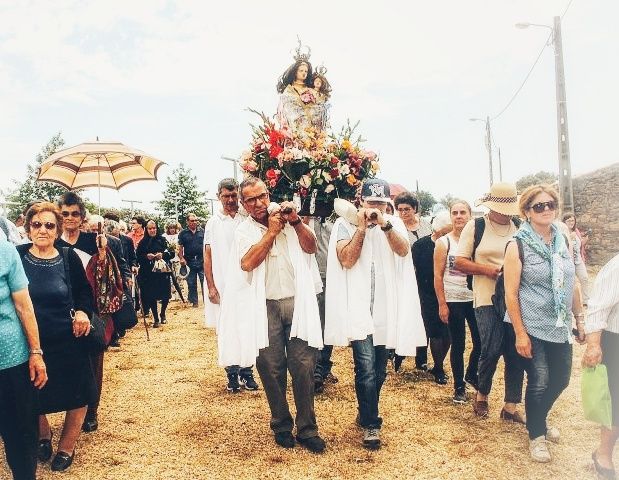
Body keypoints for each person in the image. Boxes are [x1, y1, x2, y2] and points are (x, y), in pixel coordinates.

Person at [217, 177, 326, 453]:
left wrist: (296, 222)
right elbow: (247, 263)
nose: (258, 203)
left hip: (297, 302)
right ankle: (281, 424)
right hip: (264, 307)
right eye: (251, 200)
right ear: (243, 204)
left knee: (304, 367)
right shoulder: (244, 230)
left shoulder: (287, 216)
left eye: (262, 196)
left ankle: (307, 428)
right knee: (270, 367)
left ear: (269, 194)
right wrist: (272, 233)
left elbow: (311, 247)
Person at [326, 179, 426, 450]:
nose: (375, 209)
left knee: (379, 370)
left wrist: (385, 225)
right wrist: (361, 227)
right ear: (361, 202)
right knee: (366, 368)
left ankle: (365, 409)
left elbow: (403, 251)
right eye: (371, 203)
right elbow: (346, 260)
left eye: (381, 204)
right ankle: (372, 423)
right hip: (359, 309)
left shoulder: (394, 224)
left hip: (384, 310)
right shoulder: (344, 225)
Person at [504, 184, 584, 463]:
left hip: (560, 324)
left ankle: (537, 418)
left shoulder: (563, 240)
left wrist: (579, 318)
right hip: (531, 325)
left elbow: (572, 282)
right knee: (540, 380)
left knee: (561, 379)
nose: (546, 209)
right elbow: (510, 294)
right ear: (527, 211)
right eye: (539, 206)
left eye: (551, 204)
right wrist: (519, 333)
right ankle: (536, 435)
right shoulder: (517, 245)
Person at [16, 202, 96, 472]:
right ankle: (43, 435)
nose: (43, 230)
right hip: (30, 340)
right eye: (37, 224)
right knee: (33, 390)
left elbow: (85, 293)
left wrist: (83, 312)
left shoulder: (68, 256)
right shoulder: (17, 256)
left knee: (78, 392)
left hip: (68, 338)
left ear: (58, 230)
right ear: (28, 228)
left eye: (49, 225)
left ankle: (67, 446)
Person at [56, 192, 130, 433]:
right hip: (62, 311)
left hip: (94, 310)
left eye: (74, 214)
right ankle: (73, 409)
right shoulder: (53, 243)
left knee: (93, 363)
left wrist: (103, 253)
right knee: (69, 363)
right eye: (65, 214)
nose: (69, 218)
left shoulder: (95, 241)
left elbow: (110, 276)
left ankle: (92, 411)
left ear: (82, 217)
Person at [454, 182, 525, 421]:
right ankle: (482, 394)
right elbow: (459, 262)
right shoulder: (476, 226)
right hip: (485, 296)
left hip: (515, 297)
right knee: (491, 348)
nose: (506, 214)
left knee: (515, 350)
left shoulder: (519, 227)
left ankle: (511, 405)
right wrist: (489, 271)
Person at [203, 178, 258, 393]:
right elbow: (207, 256)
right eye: (226, 196)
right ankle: (232, 374)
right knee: (227, 330)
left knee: (247, 327)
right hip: (223, 285)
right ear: (219, 197)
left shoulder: (247, 218)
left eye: (234, 195)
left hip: (245, 284)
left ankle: (247, 372)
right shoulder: (213, 222)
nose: (230, 200)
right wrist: (211, 286)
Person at [0, 238, 47, 480]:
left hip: (11, 360)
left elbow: (24, 306)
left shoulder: (5, 251)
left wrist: (36, 352)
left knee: (20, 437)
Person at [434, 200, 480, 403]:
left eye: (463, 212)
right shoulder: (444, 242)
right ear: (450, 216)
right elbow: (437, 276)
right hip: (453, 299)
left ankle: (471, 373)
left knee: (481, 342)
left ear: (470, 215)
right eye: (455, 213)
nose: (459, 216)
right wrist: (442, 304)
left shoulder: (477, 240)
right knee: (458, 344)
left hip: (475, 298)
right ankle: (459, 387)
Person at [583, 253, 619, 479]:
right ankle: (603, 454)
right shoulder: (617, 266)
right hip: (616, 340)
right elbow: (598, 307)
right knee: (616, 403)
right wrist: (593, 344)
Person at [411, 211, 453, 384]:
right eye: (445, 231)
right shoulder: (420, 245)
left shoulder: (454, 243)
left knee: (448, 332)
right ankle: (438, 368)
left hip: (449, 291)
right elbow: (414, 270)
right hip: (427, 292)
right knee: (435, 331)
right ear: (436, 229)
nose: (448, 235)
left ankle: (438, 364)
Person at [394, 191, 433, 371]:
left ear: (415, 208)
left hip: (425, 278)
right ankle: (398, 353)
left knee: (424, 316)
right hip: (405, 277)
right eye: (400, 209)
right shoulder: (396, 228)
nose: (403, 213)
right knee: (405, 314)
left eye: (407, 209)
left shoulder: (426, 225)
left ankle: (421, 356)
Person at [276, 43, 329, 137]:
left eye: (306, 71)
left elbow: (318, 108)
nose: (304, 73)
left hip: (311, 133)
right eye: (301, 71)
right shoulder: (289, 91)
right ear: (295, 72)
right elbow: (286, 110)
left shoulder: (311, 89)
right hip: (294, 132)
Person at [136, 220, 173, 327]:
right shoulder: (143, 243)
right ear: (146, 229)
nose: (152, 230)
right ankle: (156, 318)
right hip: (149, 273)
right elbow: (138, 257)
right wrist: (147, 257)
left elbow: (171, 253)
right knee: (151, 295)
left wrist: (163, 255)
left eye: (154, 228)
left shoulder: (163, 240)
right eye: (150, 228)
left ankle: (163, 314)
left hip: (163, 272)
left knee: (165, 295)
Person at [562, 212, 590, 305]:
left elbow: (579, 245)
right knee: (571, 283)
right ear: (564, 222)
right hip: (568, 262)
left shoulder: (576, 231)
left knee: (584, 278)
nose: (571, 222)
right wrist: (569, 238)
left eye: (573, 220)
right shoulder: (561, 233)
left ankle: (586, 300)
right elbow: (561, 247)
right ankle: (571, 303)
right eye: (569, 220)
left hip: (578, 260)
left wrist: (584, 241)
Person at [178, 213, 204, 307]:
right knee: (191, 283)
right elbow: (180, 247)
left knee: (204, 281)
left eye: (196, 220)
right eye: (192, 221)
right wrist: (181, 258)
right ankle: (194, 302)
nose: (194, 222)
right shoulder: (183, 233)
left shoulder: (202, 231)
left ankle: (207, 302)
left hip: (201, 260)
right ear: (187, 222)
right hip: (189, 261)